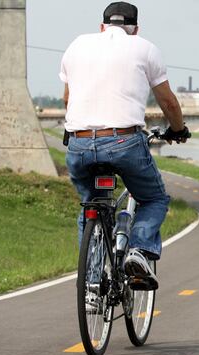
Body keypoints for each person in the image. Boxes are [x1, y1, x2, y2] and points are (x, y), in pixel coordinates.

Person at [60, 2, 190, 290]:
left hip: (79, 144)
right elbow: (167, 101)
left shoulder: (76, 46)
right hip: (124, 142)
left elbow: (68, 99)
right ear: (135, 29)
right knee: (154, 199)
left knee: (90, 205)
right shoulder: (144, 48)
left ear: (102, 26)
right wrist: (178, 130)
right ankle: (138, 250)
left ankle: (92, 285)